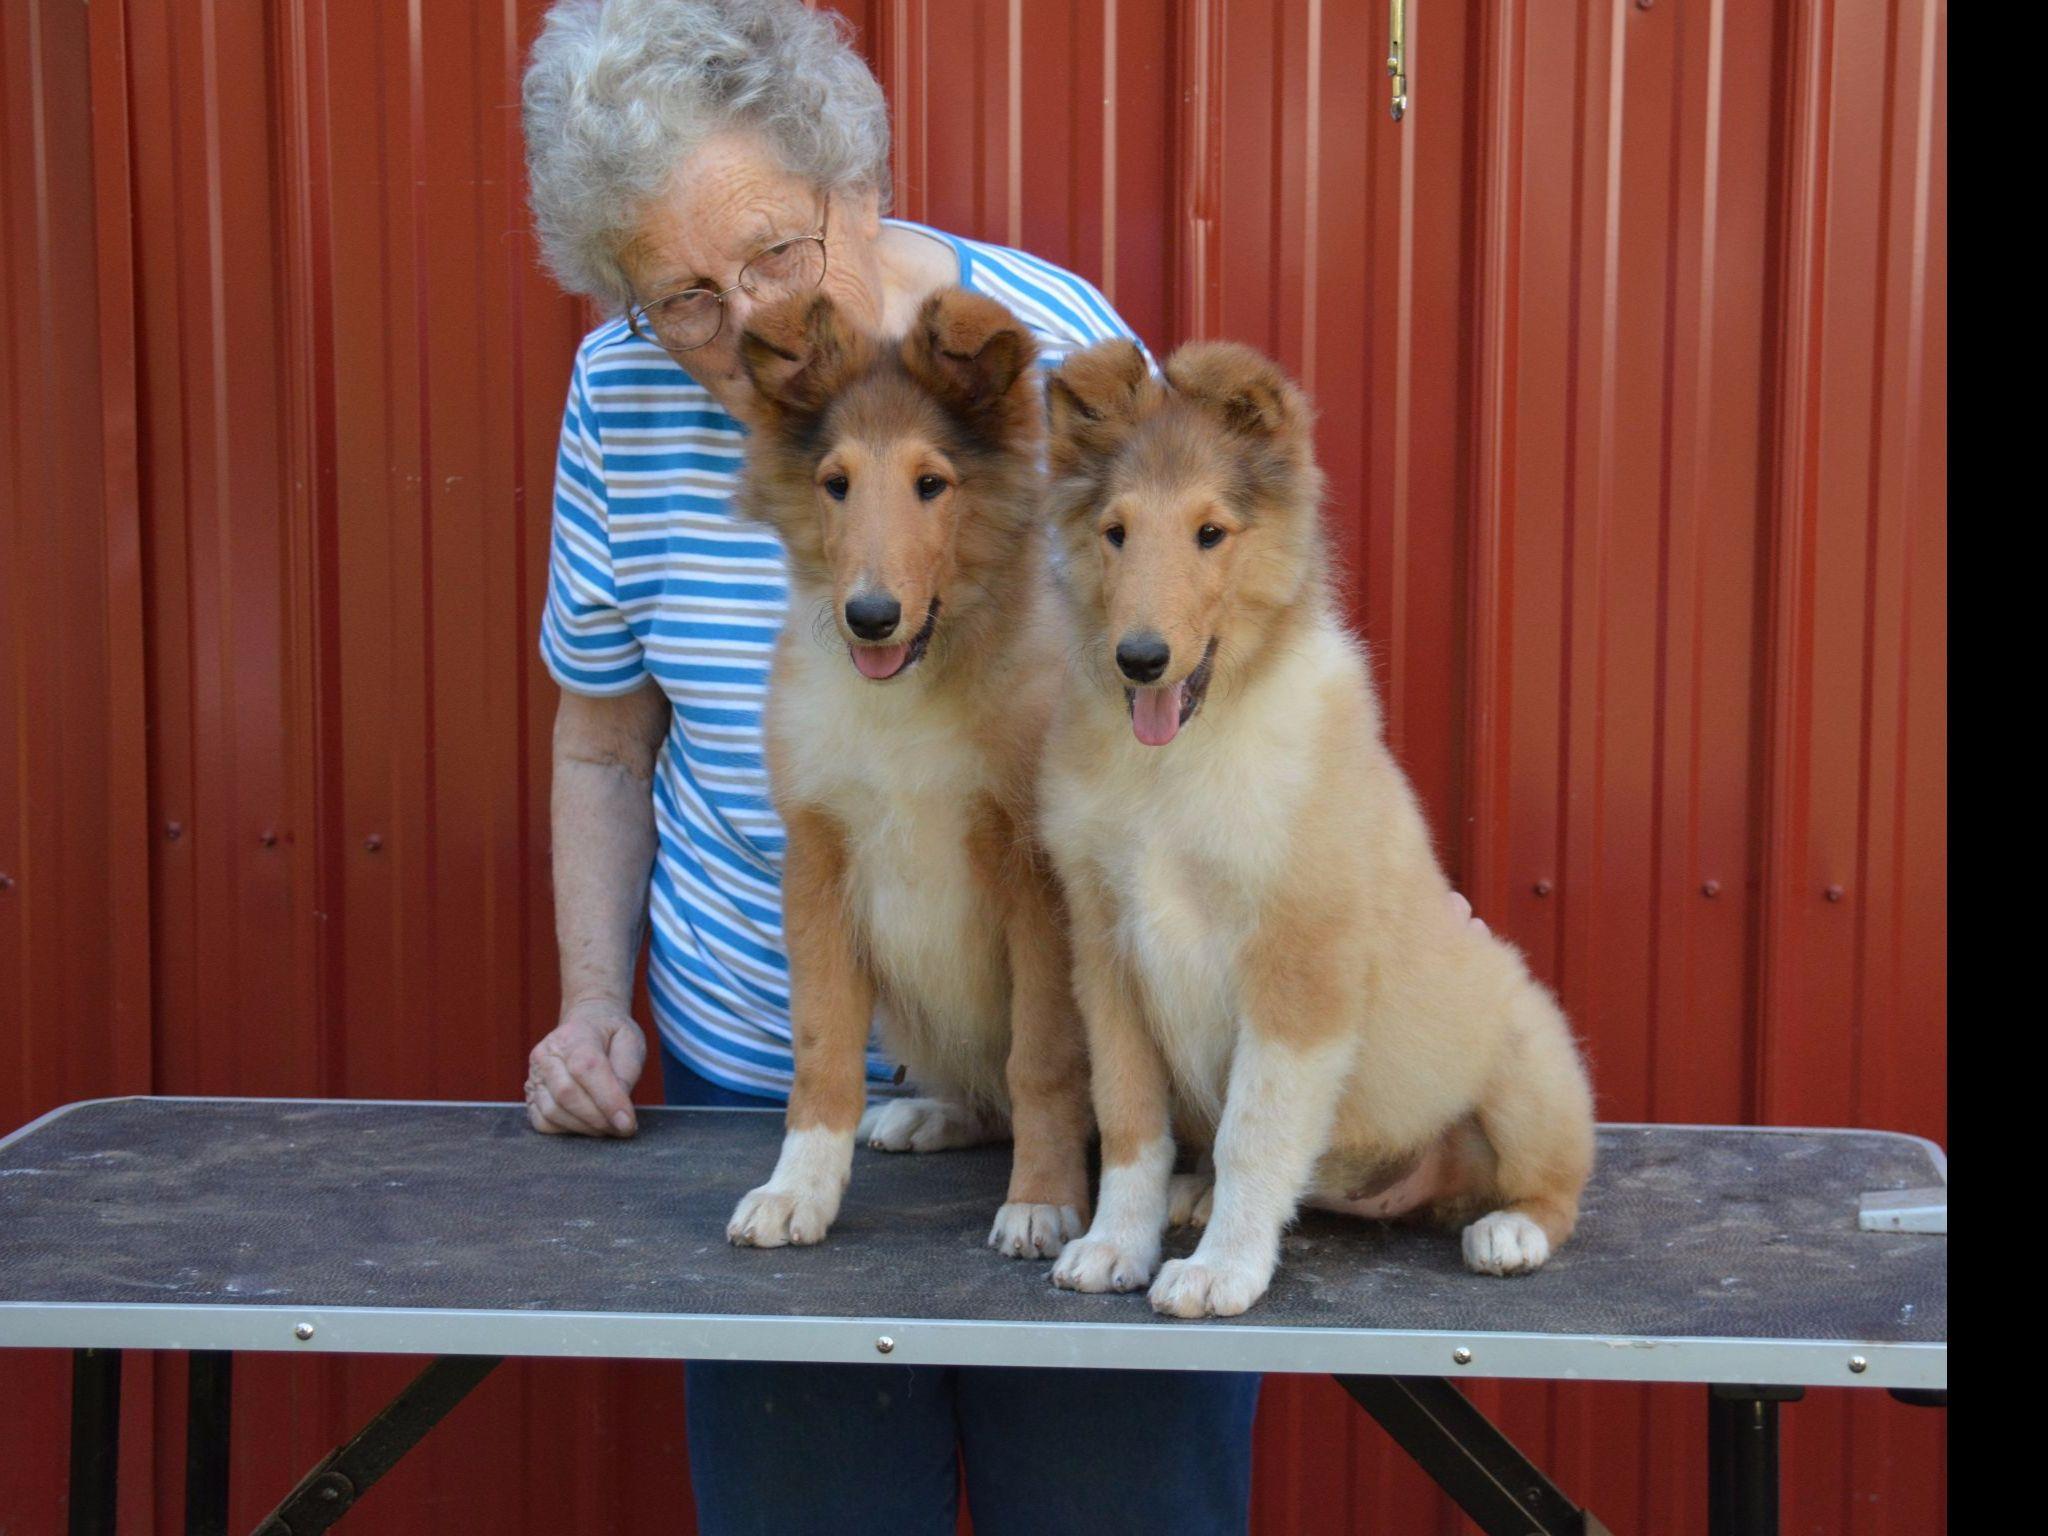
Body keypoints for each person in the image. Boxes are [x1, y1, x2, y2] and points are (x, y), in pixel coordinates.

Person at [518, 3, 1260, 1532]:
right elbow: (602, 737)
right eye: (682, 297)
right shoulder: (620, 396)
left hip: (1076, 1070)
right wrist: (595, 1006)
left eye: (777, 254)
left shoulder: (1042, 357)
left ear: (857, 181)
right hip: (763, 1075)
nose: (741, 330)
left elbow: (1205, 688)